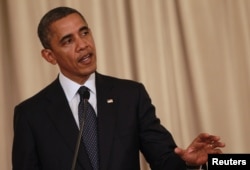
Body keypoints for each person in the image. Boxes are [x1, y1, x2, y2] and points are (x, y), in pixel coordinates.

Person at [12, 6, 225, 170]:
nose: (83, 45)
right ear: (49, 56)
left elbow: (163, 159)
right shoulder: (31, 114)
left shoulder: (130, 96)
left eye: (84, 33)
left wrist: (187, 163)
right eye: (68, 41)